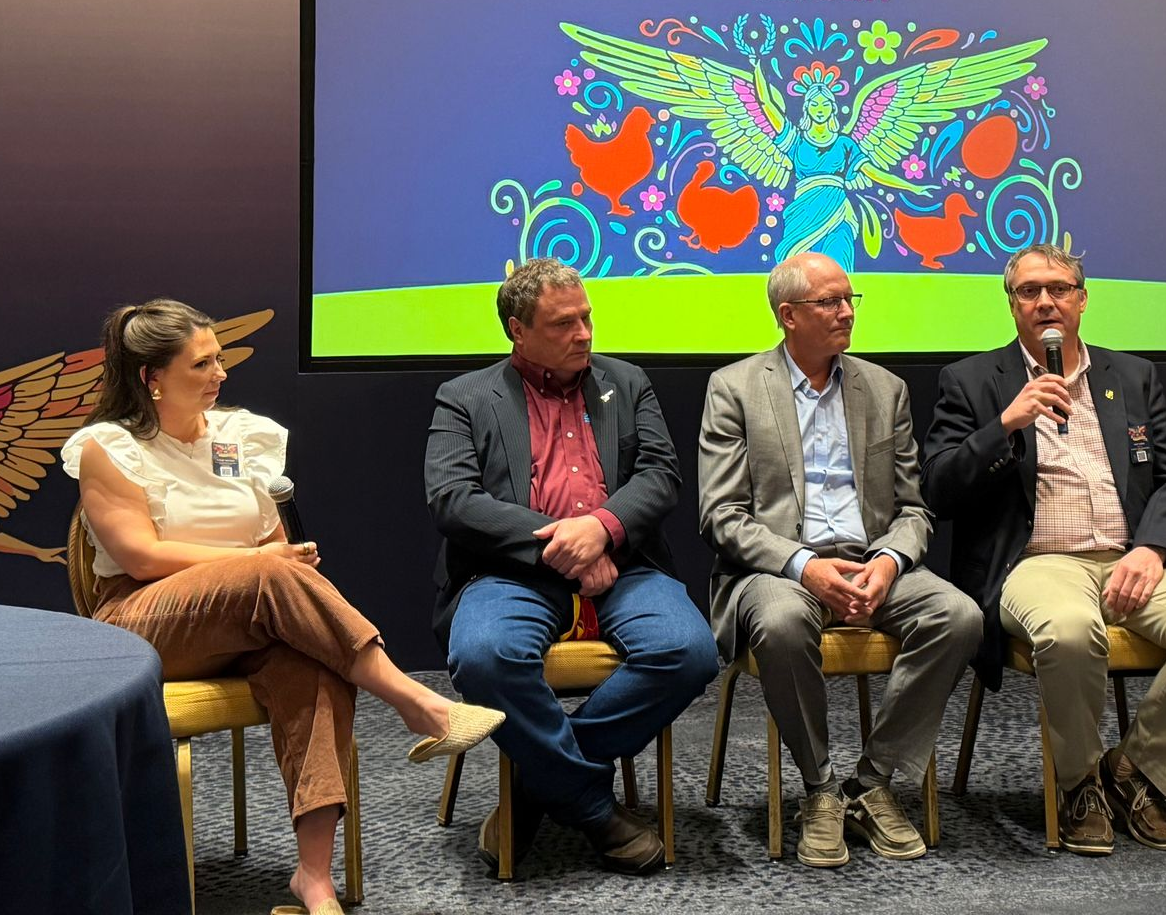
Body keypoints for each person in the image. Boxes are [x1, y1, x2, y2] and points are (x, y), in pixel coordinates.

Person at [62, 299, 504, 915]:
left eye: (220, 359)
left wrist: (283, 561)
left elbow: (270, 546)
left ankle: (313, 880)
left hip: (248, 612)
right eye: (202, 364)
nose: (220, 373)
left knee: (315, 664)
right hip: (141, 619)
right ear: (151, 378)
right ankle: (417, 701)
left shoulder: (244, 436)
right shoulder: (109, 447)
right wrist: (262, 566)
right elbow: (139, 556)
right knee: (270, 575)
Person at [922, 243, 1166, 856]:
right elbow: (938, 487)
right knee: (1072, 633)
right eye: (1029, 291)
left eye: (1058, 288)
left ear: (1082, 297)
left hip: (1132, 556)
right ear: (1012, 304)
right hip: (1037, 562)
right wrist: (1005, 425)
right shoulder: (971, 380)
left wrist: (1154, 548)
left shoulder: (1129, 376)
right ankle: (1078, 783)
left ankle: (1135, 772)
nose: (1045, 301)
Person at [425, 258, 717, 876]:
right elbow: (453, 498)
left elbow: (661, 476)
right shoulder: (465, 397)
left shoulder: (627, 382)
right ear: (517, 329)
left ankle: (537, 784)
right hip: (512, 572)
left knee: (689, 651)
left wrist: (603, 529)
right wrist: (565, 544)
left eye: (587, 317)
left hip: (625, 564)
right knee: (483, 657)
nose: (584, 333)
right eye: (564, 323)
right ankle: (590, 805)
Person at [698, 252, 980, 867]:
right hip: (775, 570)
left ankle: (871, 780)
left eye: (851, 299)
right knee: (781, 622)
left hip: (870, 560)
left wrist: (887, 562)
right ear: (788, 315)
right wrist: (805, 567)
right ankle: (820, 786)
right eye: (830, 302)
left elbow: (913, 508)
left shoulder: (886, 389)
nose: (847, 312)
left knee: (959, 616)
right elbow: (721, 516)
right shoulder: (735, 388)